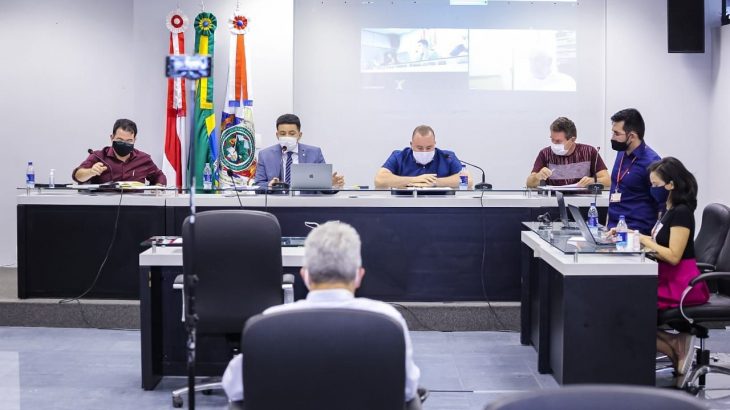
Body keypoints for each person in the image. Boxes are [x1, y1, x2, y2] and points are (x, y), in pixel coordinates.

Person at [221, 221, 422, 406]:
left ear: (304, 275)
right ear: (359, 275)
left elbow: (234, 387)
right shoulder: (388, 321)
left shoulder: (267, 325)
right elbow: (407, 389)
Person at [637, 157, 709, 386]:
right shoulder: (667, 210)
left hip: (682, 283)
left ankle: (675, 344)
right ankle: (674, 344)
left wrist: (643, 241)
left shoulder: (682, 213)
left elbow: (673, 255)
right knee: (623, 303)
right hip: (668, 276)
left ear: (670, 185)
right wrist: (631, 235)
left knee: (628, 307)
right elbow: (660, 243)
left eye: (656, 185)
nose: (652, 190)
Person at [607, 108, 663, 234]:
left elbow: (662, 204)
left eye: (617, 133)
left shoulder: (652, 162)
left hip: (637, 234)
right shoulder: (621, 153)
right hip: (614, 230)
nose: (612, 138)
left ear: (631, 136)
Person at [254, 114, 344, 188]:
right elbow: (258, 185)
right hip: (276, 204)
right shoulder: (265, 155)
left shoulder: (314, 153)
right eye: (283, 134)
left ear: (299, 135)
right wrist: (269, 185)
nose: (287, 136)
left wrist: (330, 183)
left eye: (292, 133)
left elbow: (322, 186)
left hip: (306, 204)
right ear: (277, 135)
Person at [72, 119, 166, 185]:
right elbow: (77, 176)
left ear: (134, 140)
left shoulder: (143, 159)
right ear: (112, 138)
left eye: (129, 141)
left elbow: (159, 176)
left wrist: (158, 187)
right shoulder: (98, 156)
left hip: (135, 207)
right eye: (120, 140)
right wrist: (91, 172)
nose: (124, 144)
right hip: (103, 207)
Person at [526, 117, 610, 188]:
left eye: (558, 141)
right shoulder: (545, 154)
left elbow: (608, 181)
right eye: (552, 139)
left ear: (572, 140)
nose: (554, 144)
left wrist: (592, 181)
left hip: (583, 203)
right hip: (553, 202)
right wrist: (538, 176)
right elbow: (529, 183)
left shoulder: (589, 152)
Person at [374, 125, 467, 189]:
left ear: (435, 144)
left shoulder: (447, 157)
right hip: (404, 207)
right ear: (411, 144)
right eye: (419, 148)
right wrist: (413, 180)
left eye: (429, 147)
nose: (424, 151)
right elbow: (379, 180)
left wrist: (434, 182)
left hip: (441, 208)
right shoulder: (399, 156)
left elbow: (468, 181)